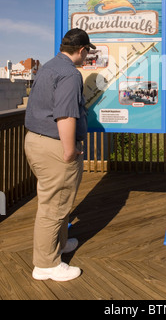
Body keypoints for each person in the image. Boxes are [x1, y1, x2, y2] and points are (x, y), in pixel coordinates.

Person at [24, 28, 95, 282]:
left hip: (35, 141)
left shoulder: (50, 66)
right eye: (88, 52)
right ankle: (46, 264)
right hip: (55, 147)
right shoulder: (70, 74)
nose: (87, 57)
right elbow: (65, 115)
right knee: (54, 207)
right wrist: (70, 151)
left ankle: (59, 246)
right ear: (81, 50)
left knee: (58, 201)